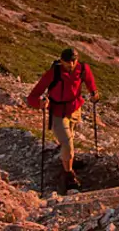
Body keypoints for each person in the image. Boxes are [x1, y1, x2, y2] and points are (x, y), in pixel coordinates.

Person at [27, 47, 99, 189]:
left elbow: (89, 80)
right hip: (58, 112)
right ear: (61, 61)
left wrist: (94, 92)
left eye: (73, 61)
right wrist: (40, 103)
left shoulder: (83, 69)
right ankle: (68, 174)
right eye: (67, 62)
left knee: (70, 137)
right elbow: (32, 96)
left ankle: (69, 160)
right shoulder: (53, 73)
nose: (71, 64)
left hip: (75, 109)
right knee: (67, 143)